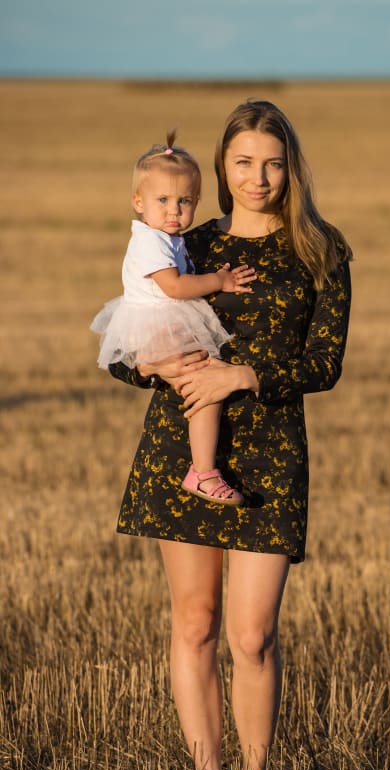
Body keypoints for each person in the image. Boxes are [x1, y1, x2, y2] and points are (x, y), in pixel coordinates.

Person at [108, 100, 352, 770]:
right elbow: (131, 337)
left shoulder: (323, 250)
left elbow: (324, 364)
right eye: (243, 162)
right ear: (221, 168)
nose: (259, 177)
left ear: (292, 168)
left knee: (253, 636)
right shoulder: (188, 241)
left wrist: (239, 377)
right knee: (196, 624)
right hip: (181, 454)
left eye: (273, 163)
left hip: (272, 459)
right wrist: (151, 366)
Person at [90, 132, 256, 504]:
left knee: (205, 384)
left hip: (163, 321)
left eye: (184, 201)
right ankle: (202, 472)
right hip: (156, 325)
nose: (173, 210)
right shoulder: (150, 241)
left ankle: (203, 468)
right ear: (138, 202)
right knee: (206, 388)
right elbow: (176, 287)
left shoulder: (168, 237)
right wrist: (220, 280)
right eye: (162, 200)